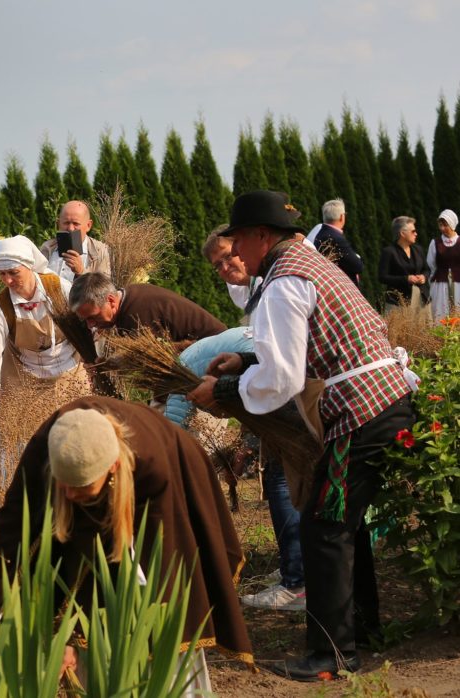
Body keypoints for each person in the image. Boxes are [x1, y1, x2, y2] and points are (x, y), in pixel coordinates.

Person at [188, 190, 414, 681]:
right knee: (341, 523)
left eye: (238, 240)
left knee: (323, 525)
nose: (236, 252)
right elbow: (304, 349)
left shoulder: (285, 282)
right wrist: (245, 360)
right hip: (385, 399)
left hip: (362, 409)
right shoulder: (308, 265)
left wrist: (225, 388)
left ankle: (331, 656)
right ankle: (362, 630)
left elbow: (282, 380)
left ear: (261, 236)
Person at [0, 398, 253, 690]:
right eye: (63, 484)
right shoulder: (50, 445)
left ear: (112, 467)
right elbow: (8, 534)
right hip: (99, 469)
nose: (69, 495)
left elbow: (136, 574)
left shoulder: (152, 470)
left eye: (80, 487)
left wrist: (72, 634)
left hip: (172, 463)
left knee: (165, 622)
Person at [195, 229, 306, 613]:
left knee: (281, 481)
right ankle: (297, 572)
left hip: (294, 396)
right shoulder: (254, 286)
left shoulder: (277, 281)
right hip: (275, 389)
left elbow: (282, 362)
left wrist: (229, 389)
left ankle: (297, 583)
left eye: (230, 256)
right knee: (279, 479)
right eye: (218, 265)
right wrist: (242, 365)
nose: (226, 268)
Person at [0, 236, 88, 399]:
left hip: (70, 376)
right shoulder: (2, 306)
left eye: (14, 272)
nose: (8, 280)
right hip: (24, 384)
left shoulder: (58, 288)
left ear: (29, 266)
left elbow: (88, 323)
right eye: (2, 274)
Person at [68, 273, 226, 350]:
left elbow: (158, 364)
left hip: (215, 352)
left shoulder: (137, 315)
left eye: (93, 317)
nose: (91, 325)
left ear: (110, 300)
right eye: (86, 320)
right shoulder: (130, 296)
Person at [39, 201, 111, 283]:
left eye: (76, 223)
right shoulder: (48, 248)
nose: (70, 228)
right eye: (66, 223)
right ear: (58, 223)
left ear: (88, 225)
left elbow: (104, 289)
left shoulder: (100, 252)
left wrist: (81, 272)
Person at [378, 216, 430, 313]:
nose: (416, 234)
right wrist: (406, 279)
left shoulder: (418, 249)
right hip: (397, 303)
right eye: (413, 231)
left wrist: (424, 277)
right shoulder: (389, 252)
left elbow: (426, 269)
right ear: (402, 233)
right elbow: (382, 277)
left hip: (421, 300)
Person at [310, 199, 363, 286]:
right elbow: (358, 266)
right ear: (342, 217)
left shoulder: (320, 232)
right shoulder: (335, 237)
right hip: (340, 286)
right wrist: (358, 257)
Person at [427, 209, 459, 320]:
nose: (442, 228)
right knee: (441, 316)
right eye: (440, 225)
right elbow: (431, 265)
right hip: (441, 285)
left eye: (445, 225)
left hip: (459, 284)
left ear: (452, 224)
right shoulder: (435, 243)